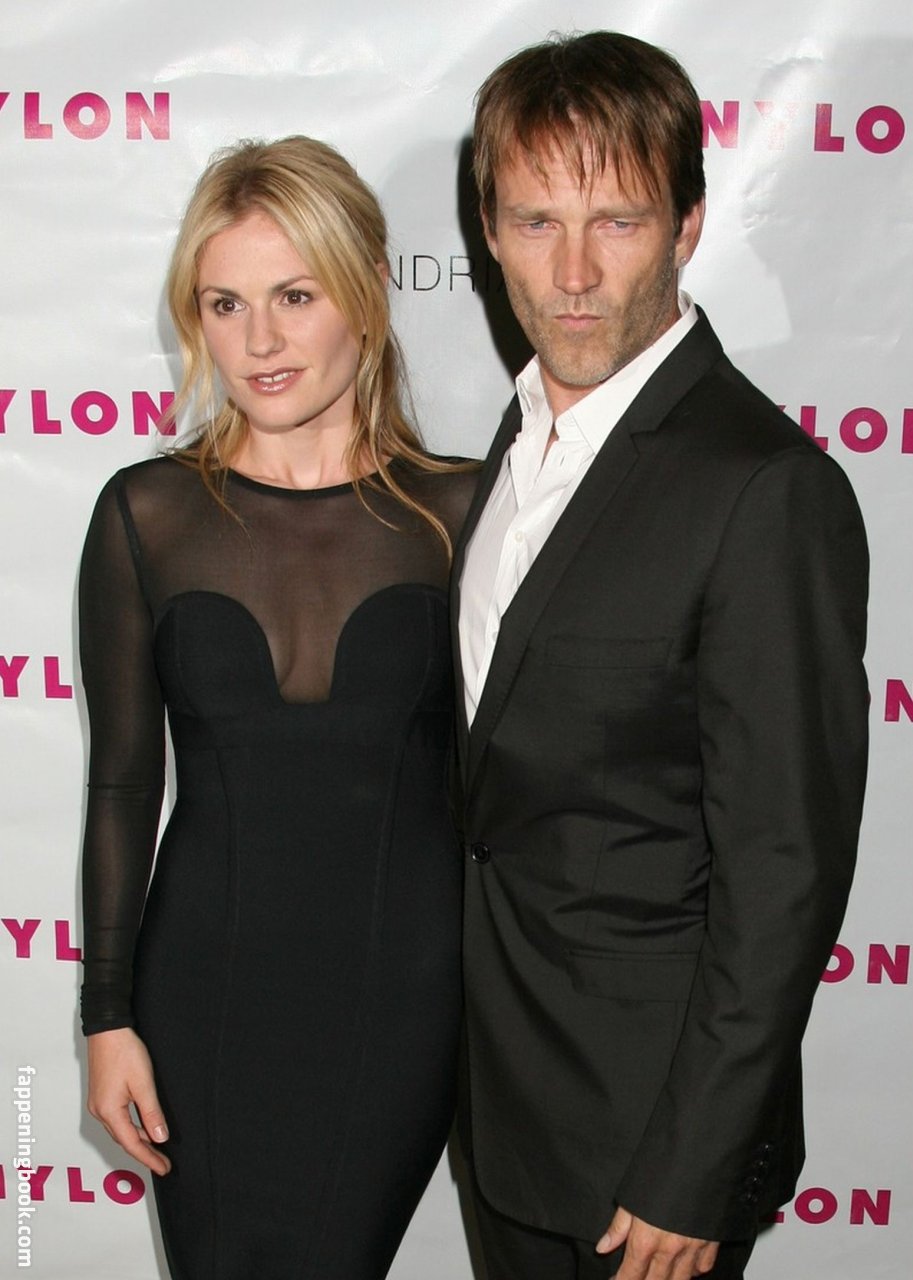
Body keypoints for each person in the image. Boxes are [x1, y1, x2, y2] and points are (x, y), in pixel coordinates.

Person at [453, 31, 868, 1280]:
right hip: (500, 1110)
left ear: (687, 225)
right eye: (536, 222)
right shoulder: (513, 443)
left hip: (647, 1157)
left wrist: (695, 1163)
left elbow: (782, 867)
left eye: (617, 222)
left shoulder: (762, 486)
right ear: (488, 232)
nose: (573, 272)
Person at [79, 135, 476, 1280]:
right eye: (225, 303)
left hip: (402, 997)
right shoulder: (147, 514)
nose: (257, 340)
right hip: (201, 994)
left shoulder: (464, 509)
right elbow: (122, 784)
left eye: (294, 296)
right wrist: (108, 1015)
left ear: (365, 294)